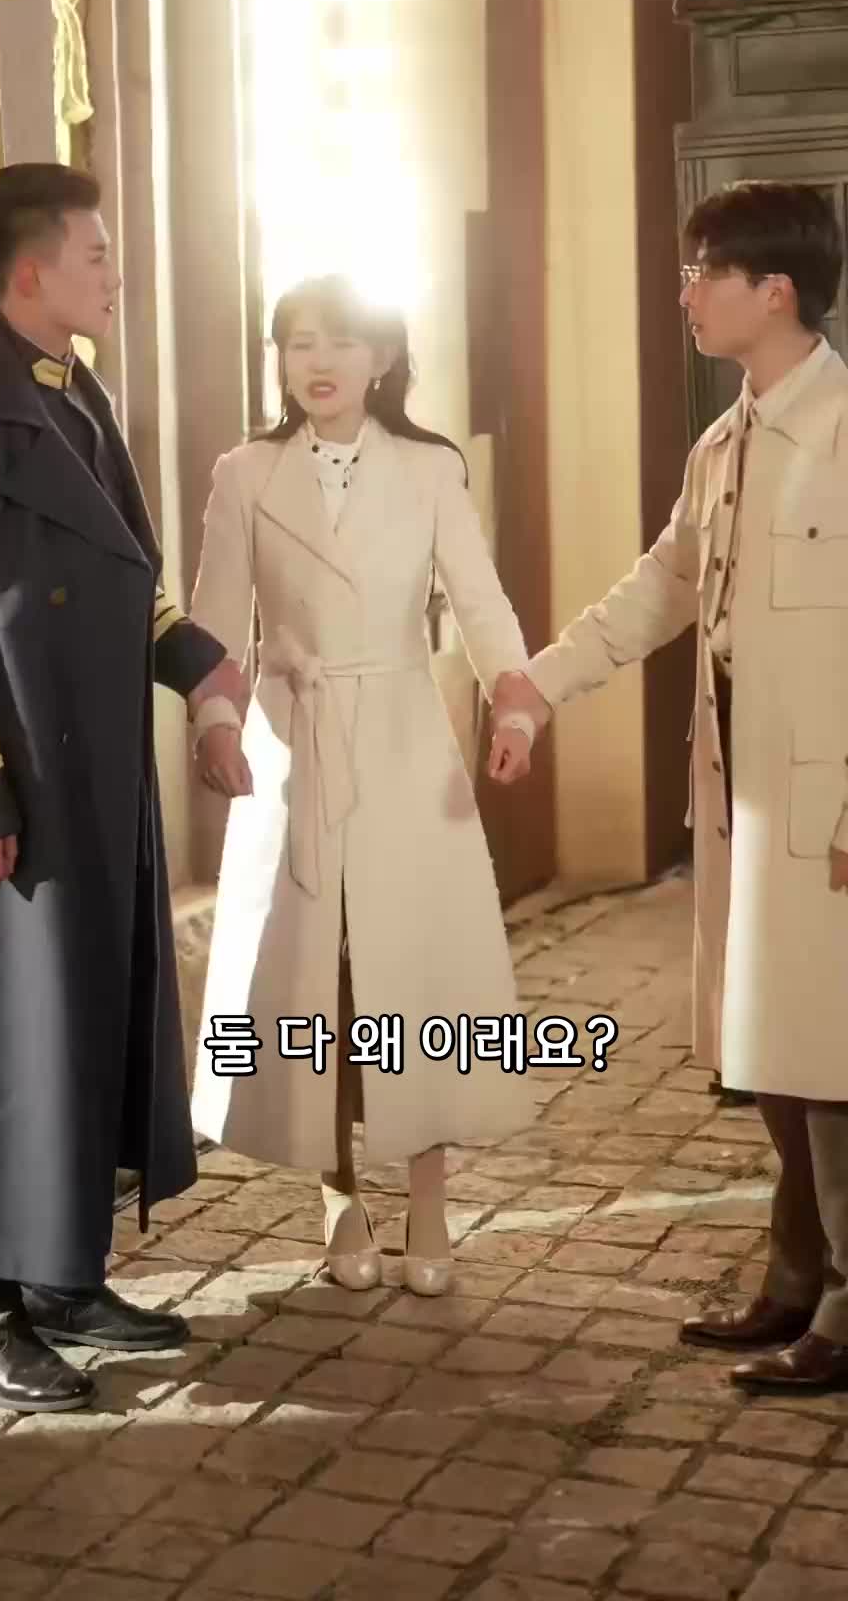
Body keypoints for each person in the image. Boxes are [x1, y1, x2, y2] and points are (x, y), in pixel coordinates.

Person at [494, 180, 848, 1394]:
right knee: (777, 1055)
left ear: (777, 291)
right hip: (746, 810)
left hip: (838, 811)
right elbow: (661, 588)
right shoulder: (724, 446)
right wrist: (538, 683)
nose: (687, 292)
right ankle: (799, 1285)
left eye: (705, 271)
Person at [0, 163, 245, 1413]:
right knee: (1, 1042)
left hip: (96, 781)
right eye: (97, 255)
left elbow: (128, 571)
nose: (114, 273)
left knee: (80, 1028)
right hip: (18, 790)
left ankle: (61, 1276)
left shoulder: (77, 392)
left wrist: (197, 661)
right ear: (32, 271)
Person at [188, 274, 536, 1295]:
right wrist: (216, 723)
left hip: (400, 739)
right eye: (298, 342)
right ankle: (338, 1201)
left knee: (415, 972)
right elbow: (214, 622)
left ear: (381, 360)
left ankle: (430, 1203)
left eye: (340, 342)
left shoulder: (430, 468)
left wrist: (516, 706)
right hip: (293, 740)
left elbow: (481, 600)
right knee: (318, 982)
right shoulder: (245, 473)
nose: (318, 361)